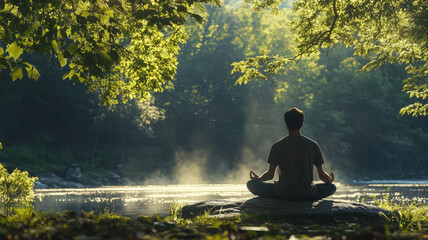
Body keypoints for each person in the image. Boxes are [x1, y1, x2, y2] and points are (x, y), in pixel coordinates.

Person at [247, 107, 336, 200]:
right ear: (302, 124)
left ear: (286, 124)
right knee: (331, 187)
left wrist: (258, 179)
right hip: (306, 194)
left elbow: (270, 175)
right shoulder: (313, 145)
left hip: (282, 193)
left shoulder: (277, 146)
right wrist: (330, 180)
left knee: (251, 184)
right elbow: (321, 175)